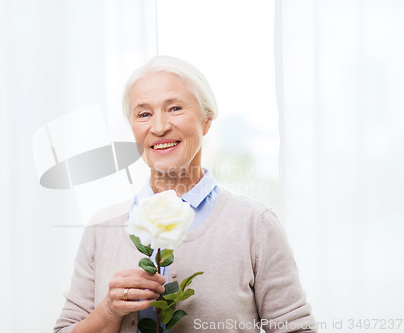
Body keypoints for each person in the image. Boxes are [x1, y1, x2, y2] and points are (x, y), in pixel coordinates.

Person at [54, 56, 317, 333]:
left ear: (207, 120)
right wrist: (108, 310)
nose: (159, 127)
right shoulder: (101, 228)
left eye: (175, 108)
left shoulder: (255, 224)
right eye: (144, 114)